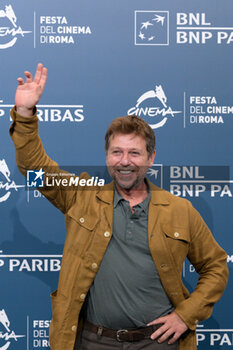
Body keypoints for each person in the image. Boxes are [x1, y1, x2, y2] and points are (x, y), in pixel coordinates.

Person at [10, 63, 228, 350]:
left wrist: (185, 316)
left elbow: (215, 267)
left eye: (134, 153)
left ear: (151, 158)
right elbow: (34, 169)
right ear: (107, 156)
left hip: (157, 344)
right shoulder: (81, 196)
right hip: (92, 341)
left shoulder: (180, 210)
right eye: (117, 152)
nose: (125, 161)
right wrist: (25, 115)